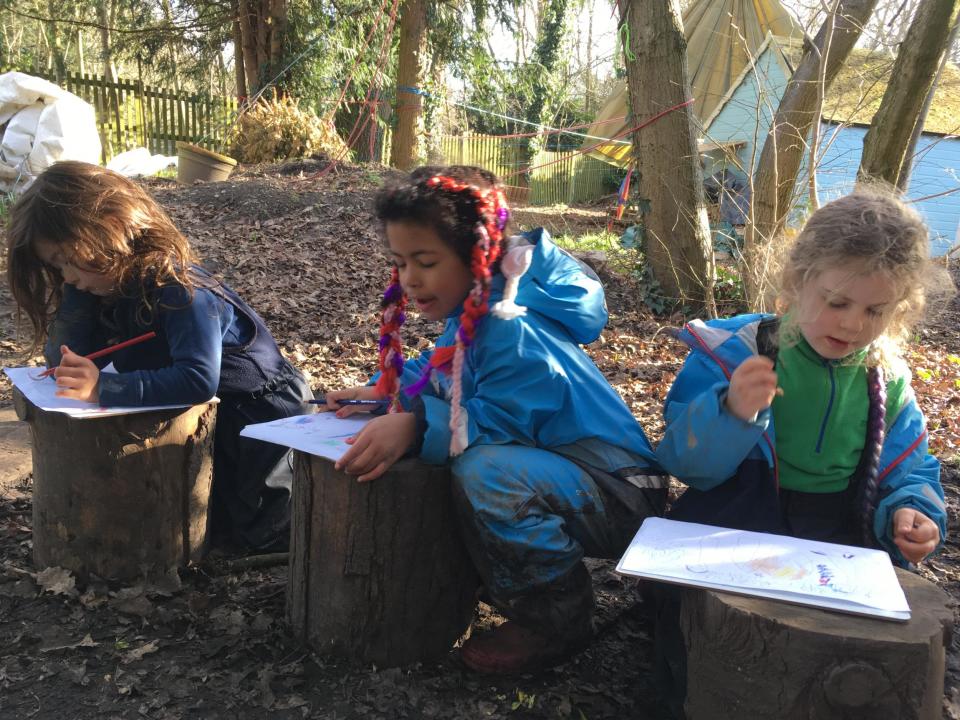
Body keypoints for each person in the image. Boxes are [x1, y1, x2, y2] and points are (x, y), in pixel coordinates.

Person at [324, 165, 665, 674]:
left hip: (622, 492)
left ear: (478, 258)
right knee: (481, 468)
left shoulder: (510, 329)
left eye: (426, 261)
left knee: (486, 472)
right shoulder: (469, 315)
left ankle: (557, 619)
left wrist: (416, 425)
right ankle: (505, 577)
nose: (409, 279)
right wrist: (386, 391)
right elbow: (444, 369)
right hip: (574, 479)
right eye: (400, 262)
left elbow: (500, 419)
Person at [653, 186, 952, 709]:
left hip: (841, 529)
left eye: (876, 310)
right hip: (736, 516)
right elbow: (682, 463)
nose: (852, 324)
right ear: (798, 280)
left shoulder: (887, 378)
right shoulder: (734, 354)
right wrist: (730, 413)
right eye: (837, 302)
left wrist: (912, 509)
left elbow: (910, 467)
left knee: (862, 647)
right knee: (685, 618)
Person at [6, 161, 312, 553]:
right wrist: (77, 302)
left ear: (111, 228)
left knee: (254, 533)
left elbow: (198, 380)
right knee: (191, 516)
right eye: (56, 266)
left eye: (69, 258)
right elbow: (64, 360)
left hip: (260, 413)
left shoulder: (180, 289)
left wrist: (104, 387)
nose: (66, 276)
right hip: (208, 414)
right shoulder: (106, 287)